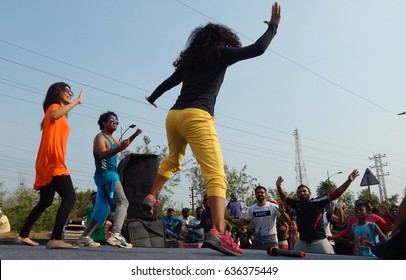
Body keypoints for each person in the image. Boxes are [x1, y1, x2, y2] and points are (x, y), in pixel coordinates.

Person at [142, 2, 281, 256]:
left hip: (173, 116)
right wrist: (273, 27)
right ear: (222, 40)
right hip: (197, 116)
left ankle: (152, 195)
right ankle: (219, 232)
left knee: (173, 159)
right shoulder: (222, 53)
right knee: (216, 175)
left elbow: (168, 82)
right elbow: (258, 49)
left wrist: (152, 97)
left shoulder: (189, 62)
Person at [15, 82, 84, 249]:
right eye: (67, 90)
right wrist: (77, 102)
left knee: (45, 201)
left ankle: (23, 235)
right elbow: (54, 115)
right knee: (69, 197)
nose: (70, 94)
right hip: (53, 162)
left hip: (47, 161)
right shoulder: (53, 108)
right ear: (56, 92)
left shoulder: (59, 113)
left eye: (71, 92)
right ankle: (55, 238)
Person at [76, 111, 142, 248]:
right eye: (112, 121)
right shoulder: (100, 138)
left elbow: (124, 144)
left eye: (117, 122)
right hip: (107, 175)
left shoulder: (113, 139)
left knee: (102, 210)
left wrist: (134, 135)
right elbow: (102, 154)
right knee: (123, 202)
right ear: (104, 123)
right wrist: (120, 148)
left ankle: (84, 237)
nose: (115, 123)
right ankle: (115, 234)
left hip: (108, 175)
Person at [276, 170, 359, 254]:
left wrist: (349, 181)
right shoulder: (297, 204)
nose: (302, 193)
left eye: (304, 191)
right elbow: (284, 198)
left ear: (310, 193)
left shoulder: (318, 201)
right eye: (299, 192)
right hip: (302, 242)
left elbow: (335, 194)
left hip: (320, 242)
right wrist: (278, 186)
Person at [227, 185, 289, 250]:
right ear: (255, 194)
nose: (259, 194)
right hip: (257, 238)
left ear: (266, 194)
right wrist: (232, 221)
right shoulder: (252, 208)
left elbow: (287, 220)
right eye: (257, 192)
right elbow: (245, 222)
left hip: (270, 239)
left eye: (262, 192)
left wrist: (283, 212)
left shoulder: (273, 206)